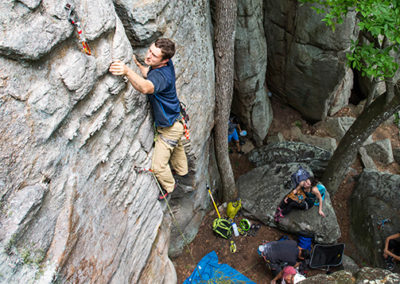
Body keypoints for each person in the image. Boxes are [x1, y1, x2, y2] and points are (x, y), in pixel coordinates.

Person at [109, 38, 188, 201]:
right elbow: (150, 74)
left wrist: (127, 71)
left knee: (158, 167)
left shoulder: (162, 77)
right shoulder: (165, 65)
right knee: (177, 148)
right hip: (177, 121)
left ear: (164, 59)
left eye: (154, 55)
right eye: (150, 50)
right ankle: (182, 172)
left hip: (168, 129)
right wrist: (139, 66)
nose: (149, 56)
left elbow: (146, 87)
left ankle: (170, 186)